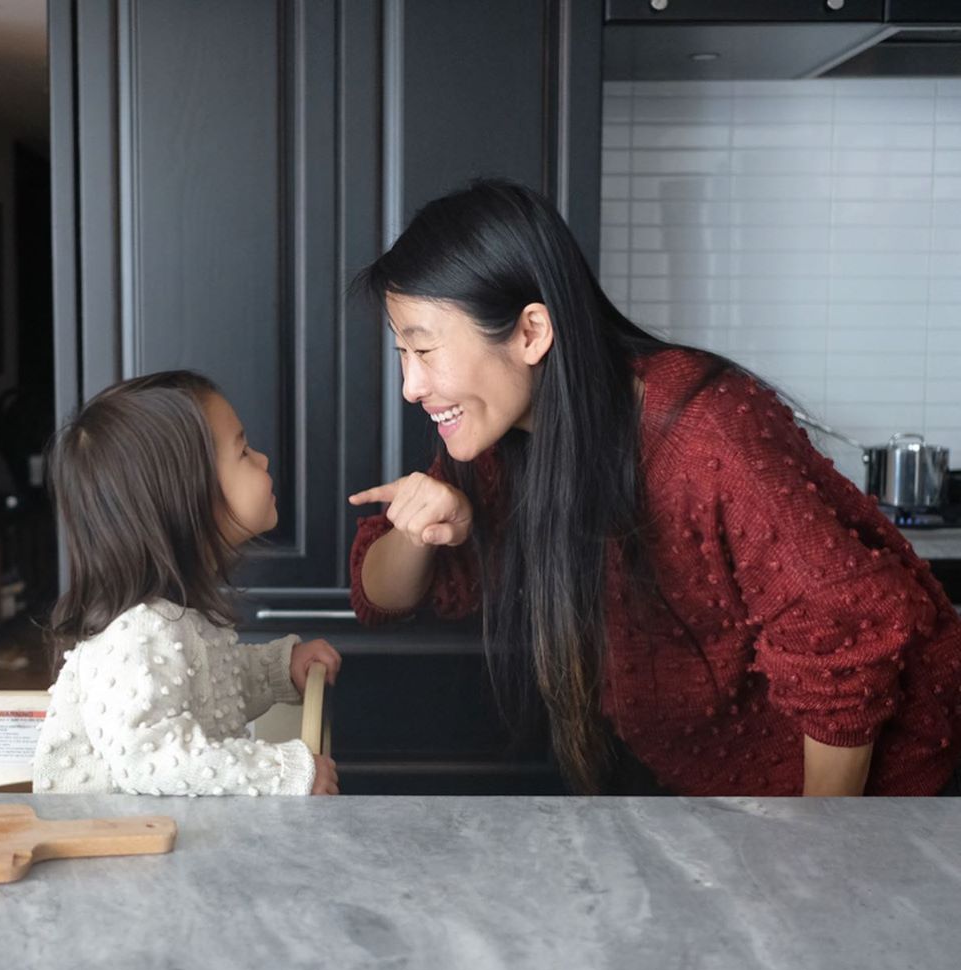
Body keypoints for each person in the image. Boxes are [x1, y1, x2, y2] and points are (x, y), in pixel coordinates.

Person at [348, 179, 961, 797]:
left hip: (886, 796)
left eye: (424, 349)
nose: (411, 386)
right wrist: (415, 530)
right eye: (403, 352)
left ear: (531, 333)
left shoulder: (704, 428)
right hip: (729, 799)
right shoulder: (505, 435)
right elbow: (380, 596)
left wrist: (814, 856)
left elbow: (842, 633)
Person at [33, 371, 341, 796]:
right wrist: (282, 772)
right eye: (244, 451)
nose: (264, 460)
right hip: (112, 857)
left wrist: (277, 670)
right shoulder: (139, 632)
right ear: (186, 497)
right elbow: (153, 760)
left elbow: (212, 695)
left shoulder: (176, 618)